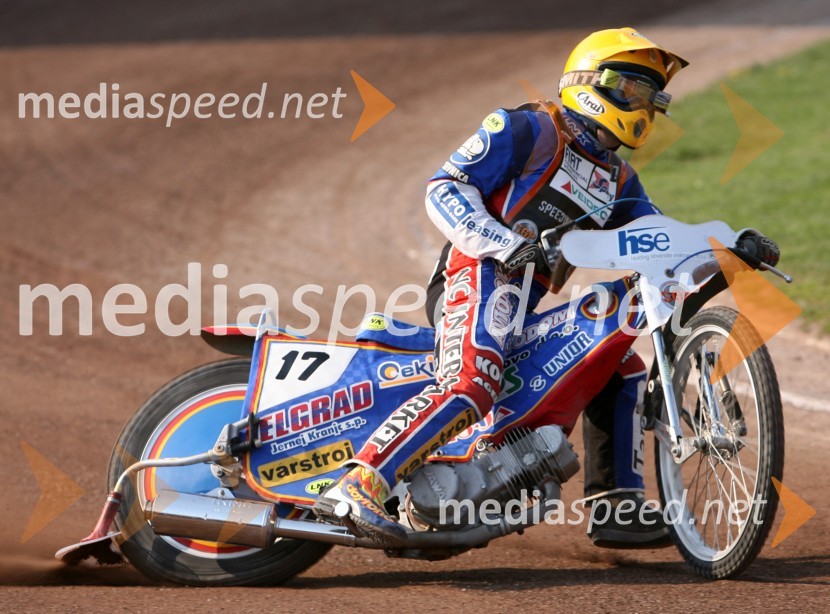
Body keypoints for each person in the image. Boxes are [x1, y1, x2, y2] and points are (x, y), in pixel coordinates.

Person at [314, 27, 779, 547]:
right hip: (476, 271)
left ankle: (615, 505)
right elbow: (444, 187)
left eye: (651, 96)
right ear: (587, 82)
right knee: (473, 380)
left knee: (619, 358)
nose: (641, 105)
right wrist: (503, 242)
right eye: (629, 88)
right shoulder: (527, 129)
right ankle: (361, 481)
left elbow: (659, 248)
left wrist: (728, 251)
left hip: (523, 297)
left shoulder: (620, 182)